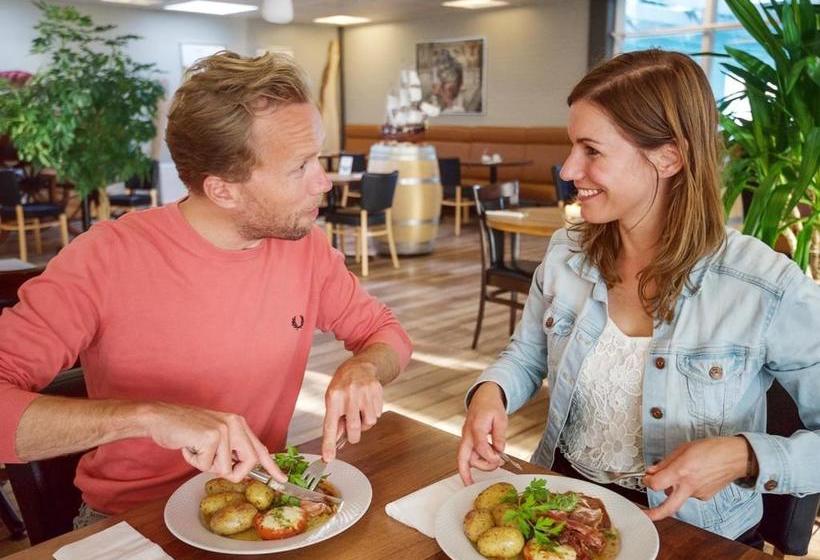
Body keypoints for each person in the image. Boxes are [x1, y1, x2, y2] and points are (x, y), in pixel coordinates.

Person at [0, 51, 412, 525]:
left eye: (318, 157)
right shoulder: (104, 258)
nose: (324, 182)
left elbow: (388, 334)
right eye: (300, 168)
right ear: (222, 190)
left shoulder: (305, 249)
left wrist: (365, 367)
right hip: (130, 519)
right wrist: (147, 417)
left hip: (262, 502)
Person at [457, 49, 819, 545]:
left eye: (591, 150)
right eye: (571, 147)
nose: (567, 168)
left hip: (694, 536)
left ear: (669, 156)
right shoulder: (567, 252)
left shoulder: (764, 285)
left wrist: (745, 455)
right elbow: (525, 356)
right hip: (562, 512)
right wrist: (488, 395)